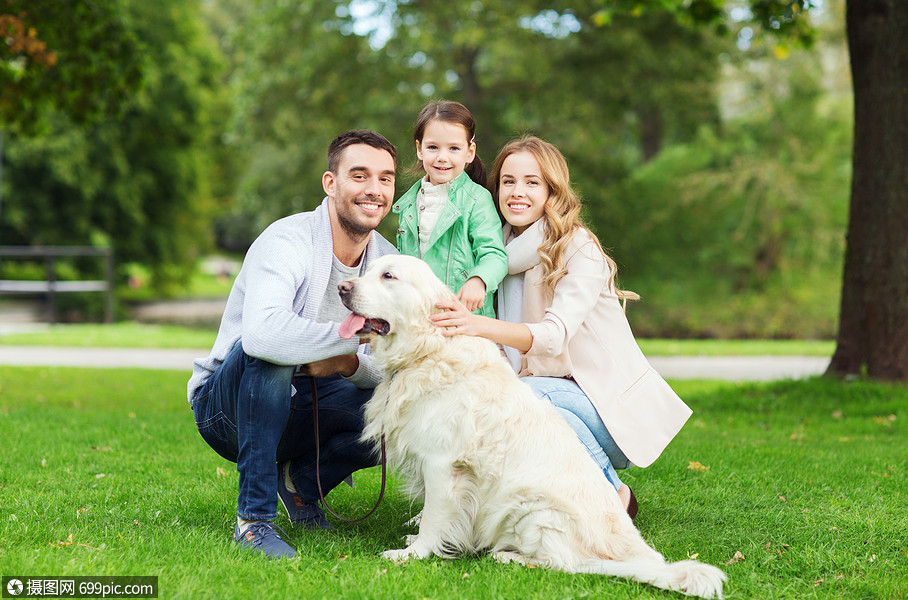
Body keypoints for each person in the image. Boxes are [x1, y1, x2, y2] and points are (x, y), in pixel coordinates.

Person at [431, 136, 692, 519]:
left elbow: (552, 338)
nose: (517, 192)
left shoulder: (577, 247)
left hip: (607, 413)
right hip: (548, 400)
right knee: (493, 400)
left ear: (552, 190)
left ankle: (613, 493)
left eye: (532, 182)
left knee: (525, 397)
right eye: (508, 181)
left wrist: (479, 326)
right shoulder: (492, 256)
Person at [187, 130, 399, 559]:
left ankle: (301, 484)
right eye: (359, 176)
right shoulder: (287, 240)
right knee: (272, 353)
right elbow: (264, 335)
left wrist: (344, 364)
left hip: (309, 403)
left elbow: (392, 363)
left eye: (386, 179)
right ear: (330, 183)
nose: (374, 190)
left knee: (401, 407)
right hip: (227, 409)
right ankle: (254, 522)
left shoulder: (387, 264)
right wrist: (347, 340)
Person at [393, 100, 507, 316]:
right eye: (433, 147)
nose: (442, 157)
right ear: (419, 149)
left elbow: (494, 254)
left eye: (454, 148)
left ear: (469, 152)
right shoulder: (408, 204)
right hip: (419, 318)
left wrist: (479, 280)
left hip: (465, 320)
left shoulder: (477, 200)